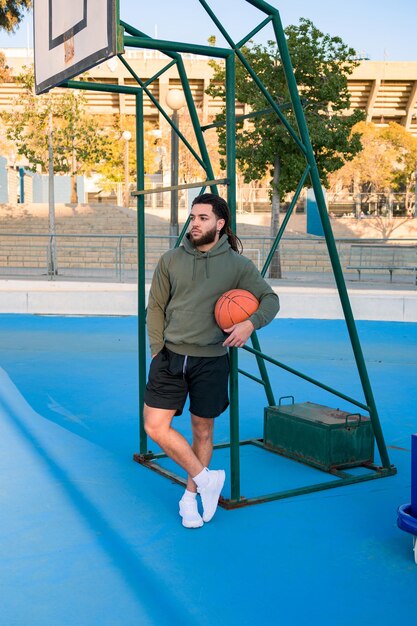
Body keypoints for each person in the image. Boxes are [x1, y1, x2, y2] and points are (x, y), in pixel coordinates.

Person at [144, 193, 280, 528]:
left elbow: (270, 300)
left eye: (203, 218)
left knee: (202, 430)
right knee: (154, 426)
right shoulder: (171, 260)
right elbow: (156, 308)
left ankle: (190, 497)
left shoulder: (236, 265)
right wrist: (157, 349)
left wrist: (249, 323)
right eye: (192, 217)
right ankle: (208, 480)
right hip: (171, 356)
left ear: (220, 224)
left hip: (212, 359)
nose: (195, 223)